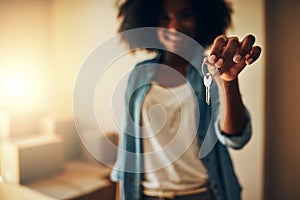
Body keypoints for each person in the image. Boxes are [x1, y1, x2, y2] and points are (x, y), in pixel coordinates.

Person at [110, 0, 262, 200]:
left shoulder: (213, 70)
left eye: (185, 15)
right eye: (164, 18)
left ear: (201, 19)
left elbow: (235, 138)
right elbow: (127, 150)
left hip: (201, 193)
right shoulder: (139, 74)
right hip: (145, 194)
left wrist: (228, 80)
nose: (175, 26)